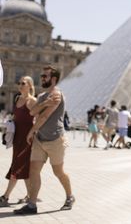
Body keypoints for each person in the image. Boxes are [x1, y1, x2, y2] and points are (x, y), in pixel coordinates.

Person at [14, 66, 74, 214]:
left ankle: (70, 196)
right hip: (40, 140)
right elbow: (33, 111)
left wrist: (31, 131)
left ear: (53, 79)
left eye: (45, 76)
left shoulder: (57, 95)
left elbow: (44, 116)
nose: (41, 78)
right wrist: (43, 104)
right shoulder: (42, 96)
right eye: (41, 76)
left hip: (55, 140)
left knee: (58, 172)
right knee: (34, 171)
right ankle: (32, 205)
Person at [0, 76, 37, 207]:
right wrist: (8, 129)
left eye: (23, 83)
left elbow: (38, 120)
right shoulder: (17, 99)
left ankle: (5, 197)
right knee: (22, 167)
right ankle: (30, 196)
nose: (20, 85)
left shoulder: (32, 101)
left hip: (27, 139)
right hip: (17, 138)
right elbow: (15, 117)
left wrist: (32, 133)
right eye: (19, 83)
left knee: (17, 166)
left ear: (30, 86)